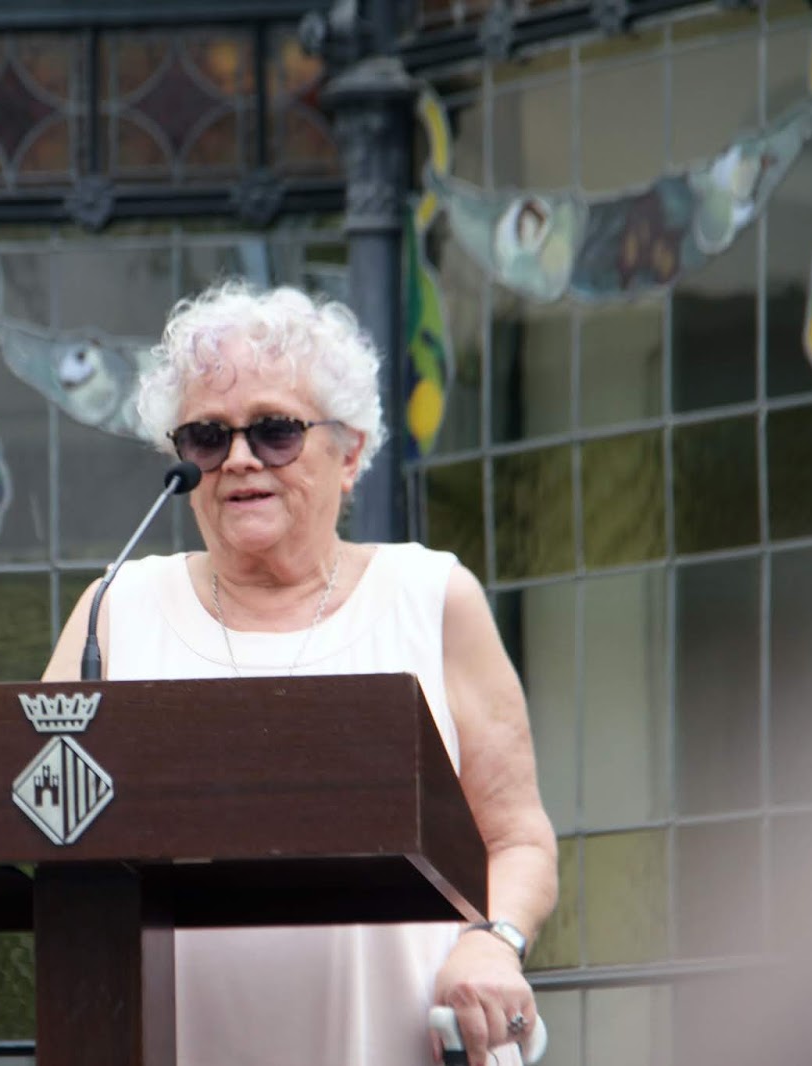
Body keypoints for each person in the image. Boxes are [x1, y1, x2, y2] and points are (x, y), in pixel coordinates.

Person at [43, 281, 558, 1066]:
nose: (239, 459)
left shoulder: (430, 597)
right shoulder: (115, 609)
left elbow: (517, 838)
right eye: (207, 437)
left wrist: (494, 942)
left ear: (349, 454)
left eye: (276, 430)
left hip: (393, 1043)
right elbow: (31, 816)